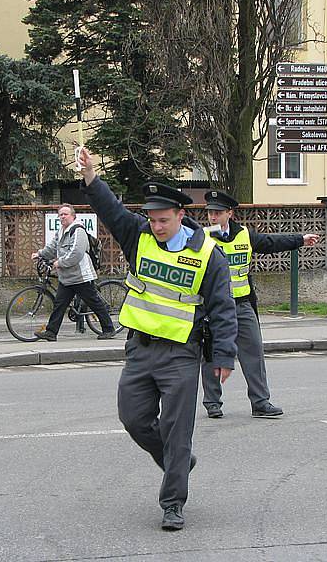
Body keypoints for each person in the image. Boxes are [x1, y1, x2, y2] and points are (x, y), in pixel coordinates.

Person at [77, 147, 237, 532]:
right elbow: (111, 210)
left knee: (177, 431)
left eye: (163, 220)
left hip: (181, 355)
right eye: (151, 218)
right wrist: (91, 177)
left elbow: (223, 308)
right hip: (140, 350)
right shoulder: (140, 236)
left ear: (181, 215)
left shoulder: (208, 255)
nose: (156, 226)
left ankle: (172, 504)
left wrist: (224, 357)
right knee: (132, 419)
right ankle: (174, 459)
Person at [201, 190, 319, 419]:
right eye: (210, 214)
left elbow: (271, 242)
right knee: (212, 354)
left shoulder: (245, 235)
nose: (212, 217)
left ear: (229, 213)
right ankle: (212, 403)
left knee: (253, 352)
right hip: (213, 307)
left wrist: (300, 239)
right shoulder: (203, 237)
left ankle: (260, 402)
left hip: (242, 305)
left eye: (217, 213)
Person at [31, 203, 116, 341]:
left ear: (73, 216)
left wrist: (60, 263)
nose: (62, 216)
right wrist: (40, 254)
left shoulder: (78, 231)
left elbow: (76, 253)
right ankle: (51, 333)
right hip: (67, 277)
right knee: (59, 304)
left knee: (95, 303)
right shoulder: (61, 231)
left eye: (65, 214)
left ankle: (109, 329)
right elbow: (52, 247)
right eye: (60, 214)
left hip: (81, 276)